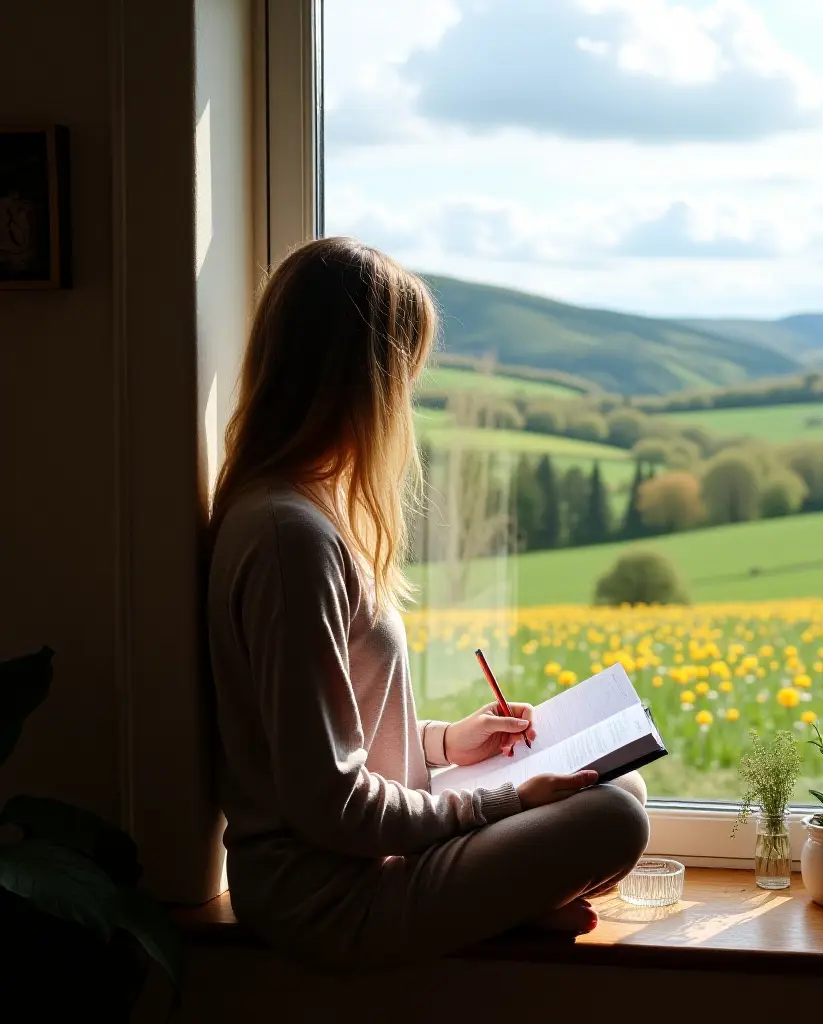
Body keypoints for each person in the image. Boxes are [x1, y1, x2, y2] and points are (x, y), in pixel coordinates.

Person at [207, 237, 649, 967]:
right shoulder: (289, 538)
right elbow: (332, 804)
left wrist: (446, 743)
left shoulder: (301, 513)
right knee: (611, 819)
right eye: (403, 376)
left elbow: (323, 747)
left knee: (617, 780)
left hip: (362, 861)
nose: (407, 401)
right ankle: (495, 914)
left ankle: (497, 910)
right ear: (364, 383)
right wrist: (505, 802)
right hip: (330, 898)